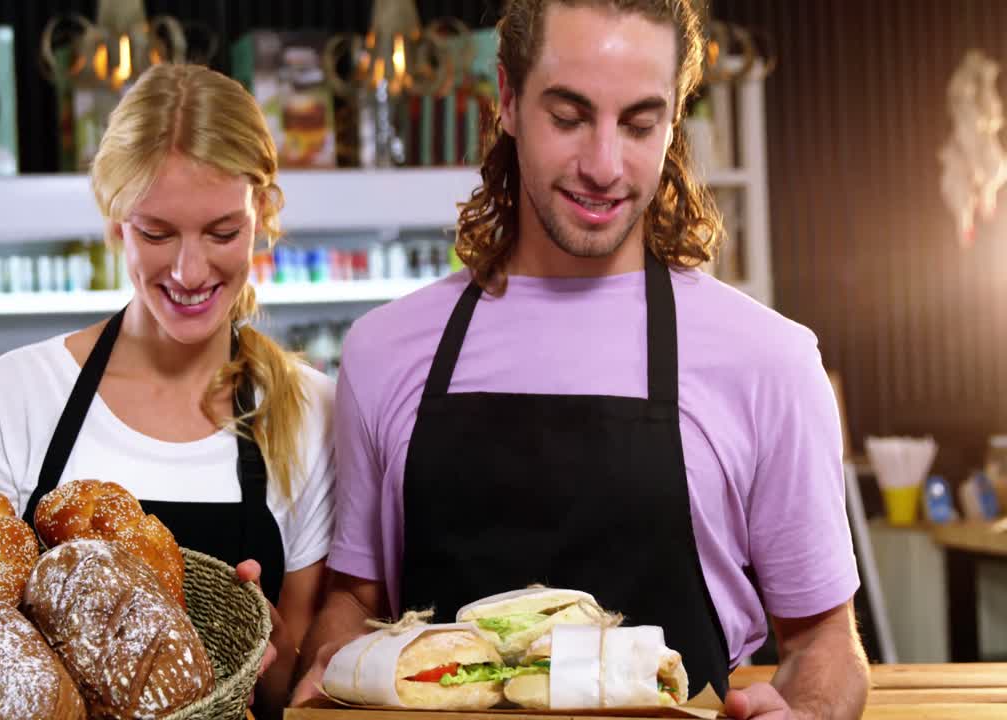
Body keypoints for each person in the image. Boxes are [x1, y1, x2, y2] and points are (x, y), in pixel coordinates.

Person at [293, 1, 869, 718]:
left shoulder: (770, 361)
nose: (603, 165)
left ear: (674, 121)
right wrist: (331, 659)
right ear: (507, 99)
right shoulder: (384, 351)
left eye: (639, 124)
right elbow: (356, 598)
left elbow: (824, 642)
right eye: (568, 117)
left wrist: (808, 713)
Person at [0, 63, 335, 720]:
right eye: (156, 232)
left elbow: (296, 698)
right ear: (113, 219)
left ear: (264, 213)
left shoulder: (309, 411)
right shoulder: (9, 401)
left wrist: (252, 645)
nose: (190, 270)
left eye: (223, 232)